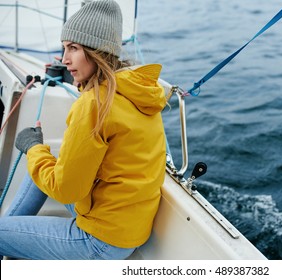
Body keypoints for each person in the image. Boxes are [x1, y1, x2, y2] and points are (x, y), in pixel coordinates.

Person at [0, 0, 167, 260]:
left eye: (73, 48)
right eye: (64, 48)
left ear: (97, 51)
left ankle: (8, 240)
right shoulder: (139, 92)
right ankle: (14, 237)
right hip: (128, 228)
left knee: (38, 167)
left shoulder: (93, 104)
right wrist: (40, 156)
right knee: (43, 168)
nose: (64, 59)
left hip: (100, 242)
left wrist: (33, 147)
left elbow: (67, 191)